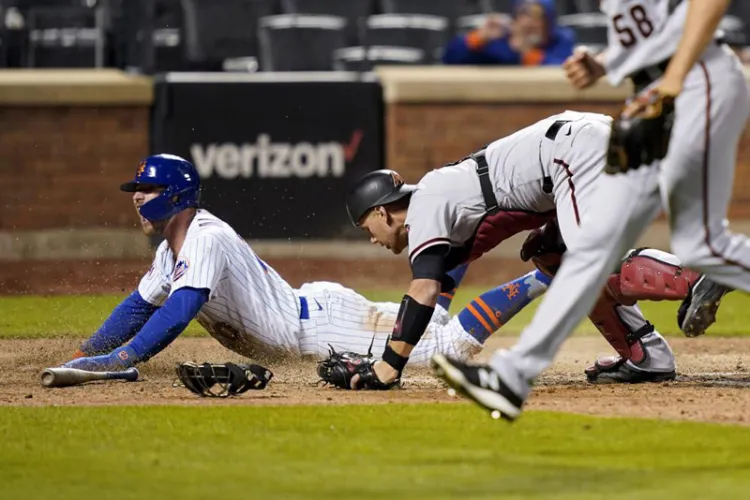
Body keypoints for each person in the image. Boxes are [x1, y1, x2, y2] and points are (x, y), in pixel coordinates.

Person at [432, 0, 750, 421]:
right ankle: (511, 378)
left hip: (697, 85)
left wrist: (671, 81)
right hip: (660, 95)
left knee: (703, 244)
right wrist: (603, 64)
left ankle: (513, 376)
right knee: (593, 246)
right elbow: (646, 33)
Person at [61, 154, 554, 373]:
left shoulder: (203, 237)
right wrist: (92, 348)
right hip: (314, 314)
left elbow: (181, 308)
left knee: (445, 346)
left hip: (319, 327)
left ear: (174, 196)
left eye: (145, 190)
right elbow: (140, 305)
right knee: (432, 317)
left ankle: (544, 276)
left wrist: (122, 359)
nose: (137, 199)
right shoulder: (173, 249)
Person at [342, 109, 721, 391]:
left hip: (570, 154)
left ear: (380, 211)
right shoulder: (437, 203)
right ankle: (645, 356)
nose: (372, 239)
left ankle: (698, 275)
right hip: (574, 150)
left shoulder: (423, 205)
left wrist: (387, 366)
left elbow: (423, 288)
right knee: (557, 259)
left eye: (367, 228)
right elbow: (439, 281)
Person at [442, 0, 575, 66]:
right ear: (514, 19)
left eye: (537, 17)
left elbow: (563, 72)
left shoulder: (561, 40)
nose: (529, 23)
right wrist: (479, 37)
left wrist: (528, 53)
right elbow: (450, 59)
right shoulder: (501, 40)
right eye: (523, 15)